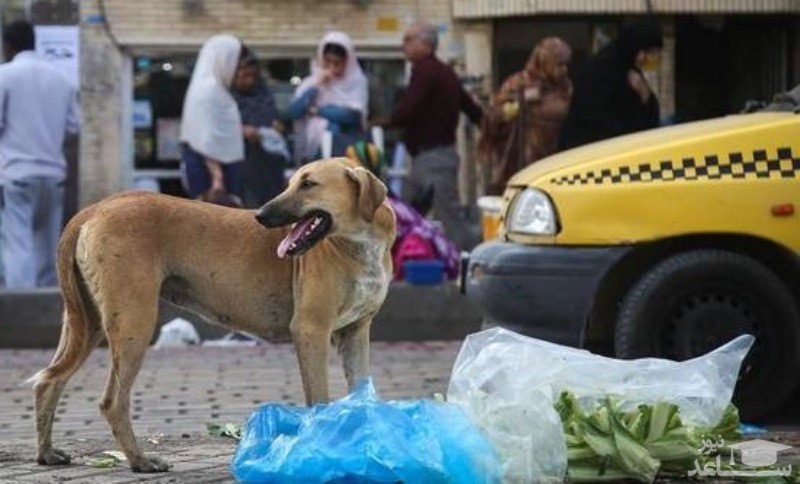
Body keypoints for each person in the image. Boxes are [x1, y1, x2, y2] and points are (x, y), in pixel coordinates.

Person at [388, 22, 483, 249]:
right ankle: (404, 254)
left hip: (434, 157)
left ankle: (465, 259)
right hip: (430, 156)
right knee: (410, 211)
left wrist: (386, 120)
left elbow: (408, 109)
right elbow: (472, 109)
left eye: (409, 40)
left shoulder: (426, 71)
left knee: (446, 214)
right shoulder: (444, 72)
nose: (404, 45)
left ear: (425, 43)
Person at [0, 20, 79, 288]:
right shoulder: (60, 78)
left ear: (7, 46)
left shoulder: (5, 75)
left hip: (17, 172)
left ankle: (20, 306)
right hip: (53, 173)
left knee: (18, 241)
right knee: (47, 243)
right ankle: (48, 301)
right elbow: (74, 126)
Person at [479, 37, 572, 194]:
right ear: (544, 61)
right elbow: (492, 117)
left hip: (554, 159)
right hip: (520, 160)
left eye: (566, 64)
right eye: (559, 64)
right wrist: (520, 103)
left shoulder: (564, 87)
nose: (564, 70)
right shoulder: (518, 83)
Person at [559, 20, 663, 150]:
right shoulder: (597, 72)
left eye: (650, 54)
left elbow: (650, 120)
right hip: (589, 155)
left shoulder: (631, 72)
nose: (644, 58)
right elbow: (596, 119)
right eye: (644, 51)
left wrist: (645, 94)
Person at [180, 34, 249, 206]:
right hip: (211, 175)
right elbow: (205, 139)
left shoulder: (212, 87)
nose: (237, 66)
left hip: (216, 171)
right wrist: (217, 178)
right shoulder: (209, 90)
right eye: (234, 60)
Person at [288, 31, 368, 164]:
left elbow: (352, 116)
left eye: (337, 63)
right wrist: (316, 86)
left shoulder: (356, 82)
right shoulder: (312, 82)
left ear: (347, 62)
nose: (331, 68)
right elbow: (294, 111)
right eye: (327, 61)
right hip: (314, 153)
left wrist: (318, 111)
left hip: (347, 153)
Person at [231, 53, 288, 207]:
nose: (247, 76)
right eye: (242, 71)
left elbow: (276, 118)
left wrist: (278, 127)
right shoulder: (227, 99)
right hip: (242, 165)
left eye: (251, 72)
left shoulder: (264, 94)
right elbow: (217, 126)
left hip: (269, 165)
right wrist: (241, 130)